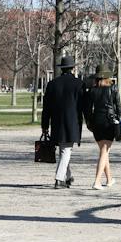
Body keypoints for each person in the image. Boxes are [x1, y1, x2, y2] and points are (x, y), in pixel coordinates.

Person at [41, 54, 84, 189]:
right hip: (72, 122)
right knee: (66, 150)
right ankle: (59, 178)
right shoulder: (79, 84)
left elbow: (46, 107)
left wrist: (44, 125)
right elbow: (83, 106)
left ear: (61, 69)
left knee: (64, 150)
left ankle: (67, 176)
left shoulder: (52, 84)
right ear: (72, 68)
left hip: (57, 122)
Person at [83, 66, 121, 190]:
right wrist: (120, 121)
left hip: (96, 123)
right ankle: (96, 181)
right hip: (109, 122)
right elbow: (118, 107)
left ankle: (109, 179)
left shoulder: (92, 91)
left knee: (104, 151)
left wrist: (90, 124)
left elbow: (87, 110)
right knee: (104, 152)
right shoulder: (113, 88)